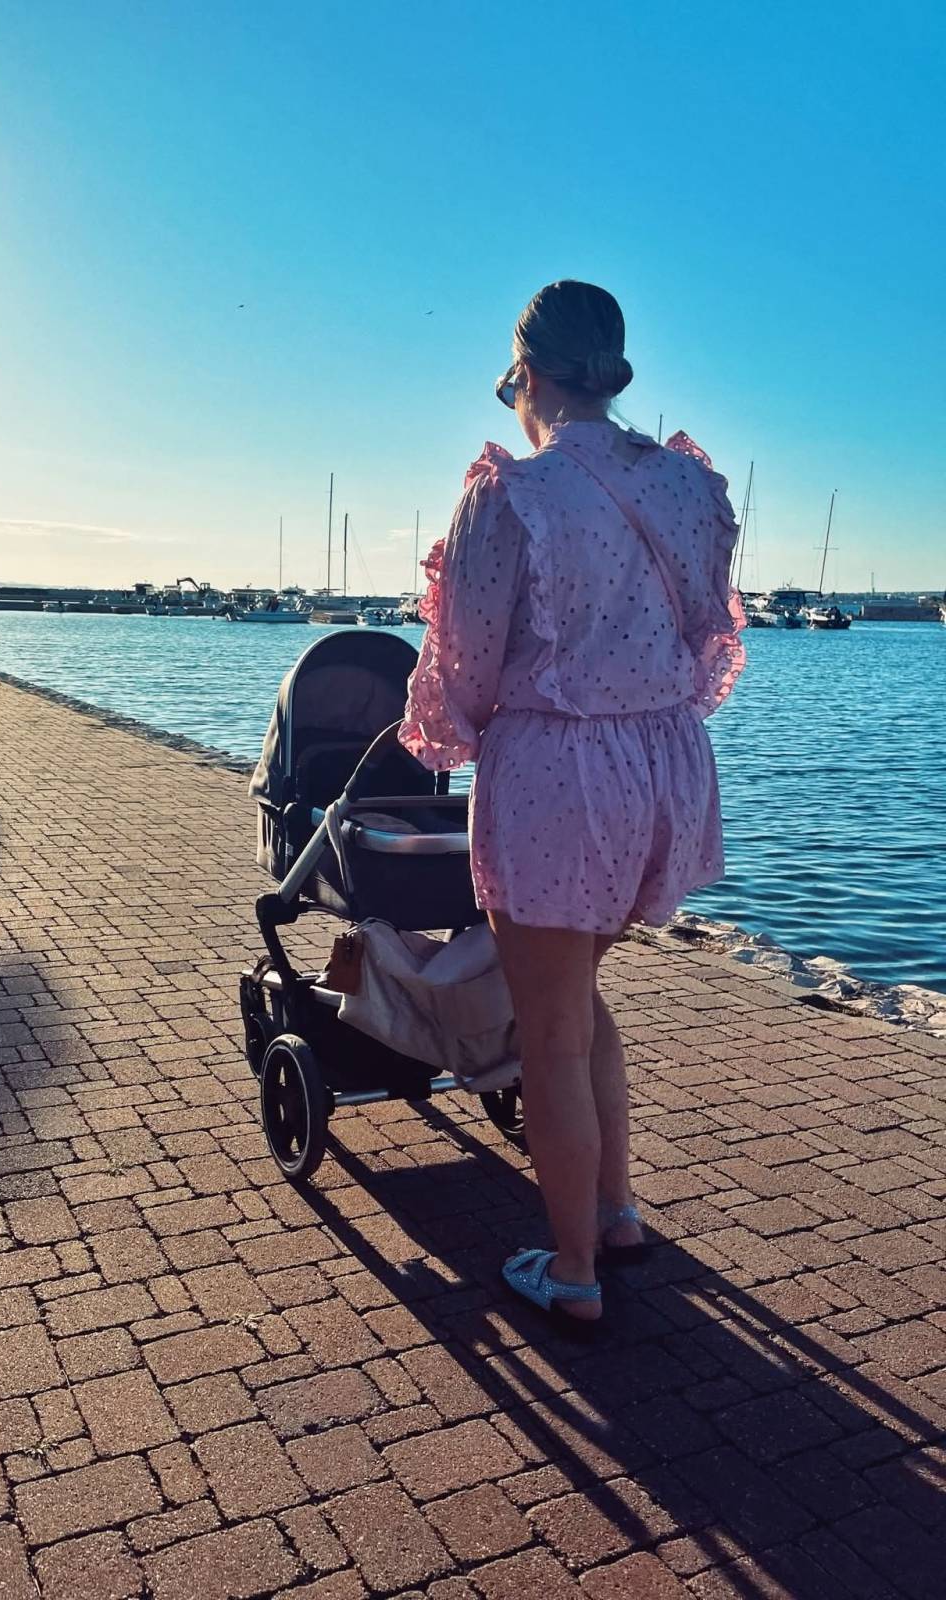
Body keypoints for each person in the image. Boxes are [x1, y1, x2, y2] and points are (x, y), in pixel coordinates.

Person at [399, 280, 744, 1329]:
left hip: (560, 775)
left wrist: (452, 736)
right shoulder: (688, 485)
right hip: (660, 769)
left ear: (528, 372)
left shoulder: (514, 492)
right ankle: (615, 1212)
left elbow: (467, 664)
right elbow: (706, 633)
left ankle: (575, 1269)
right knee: (580, 1000)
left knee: (547, 1029)